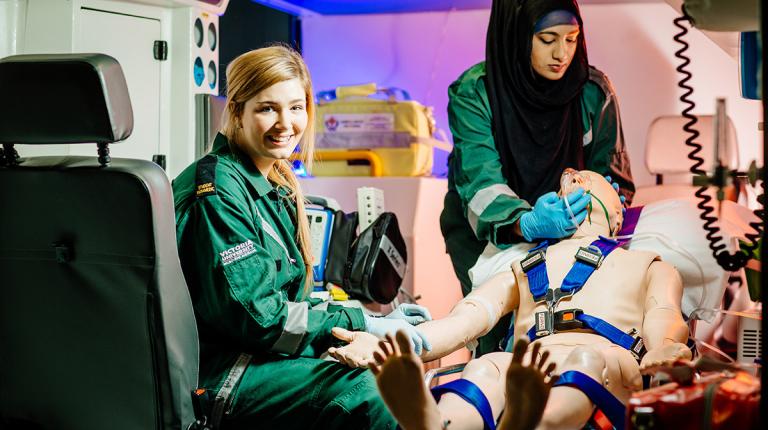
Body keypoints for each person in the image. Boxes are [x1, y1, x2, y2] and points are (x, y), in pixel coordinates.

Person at [172, 45, 430, 429]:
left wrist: (369, 323)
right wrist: (361, 322)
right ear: (238, 110)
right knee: (371, 391)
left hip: (262, 358)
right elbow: (259, 318)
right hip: (226, 373)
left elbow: (295, 300)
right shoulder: (218, 190)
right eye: (267, 108)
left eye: (296, 107)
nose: (285, 123)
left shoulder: (271, 183)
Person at [330, 171, 691, 430]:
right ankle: (438, 422)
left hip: (606, 356)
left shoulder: (646, 262)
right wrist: (401, 344)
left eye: (586, 178)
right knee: (486, 367)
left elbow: (664, 312)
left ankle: (535, 421)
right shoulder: (523, 266)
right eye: (568, 180)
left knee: (585, 361)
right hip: (527, 362)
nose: (571, 177)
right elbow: (466, 319)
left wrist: (665, 346)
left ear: (617, 216)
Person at [440, 0, 635, 355]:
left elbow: (611, 175)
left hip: (572, 236)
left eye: (572, 39)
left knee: (572, 334)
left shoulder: (593, 93)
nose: (562, 54)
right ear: (517, 35)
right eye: (548, 39)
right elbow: (480, 185)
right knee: (497, 339)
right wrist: (526, 223)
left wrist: (606, 202)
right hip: (488, 238)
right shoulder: (475, 93)